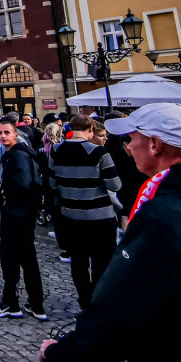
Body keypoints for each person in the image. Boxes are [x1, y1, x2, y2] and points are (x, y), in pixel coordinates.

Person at [41, 103, 181, 362]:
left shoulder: (162, 214)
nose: (128, 145)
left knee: (87, 265)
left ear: (155, 145)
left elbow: (123, 305)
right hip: (99, 218)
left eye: (132, 138)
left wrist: (64, 353)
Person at [49, 114, 121, 309]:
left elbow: (52, 183)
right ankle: (97, 301)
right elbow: (115, 185)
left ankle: (85, 300)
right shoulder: (99, 152)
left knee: (78, 263)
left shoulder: (56, 150)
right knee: (101, 263)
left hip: (71, 215)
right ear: (90, 130)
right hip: (100, 217)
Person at [0, 118, 46, 320]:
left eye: (6, 133)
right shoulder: (22, 153)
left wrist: (5, 195)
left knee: (11, 258)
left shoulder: (18, 155)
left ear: (15, 134)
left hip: (16, 214)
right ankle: (36, 304)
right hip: (24, 213)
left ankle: (10, 302)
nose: (2, 136)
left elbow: (23, 184)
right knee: (28, 258)